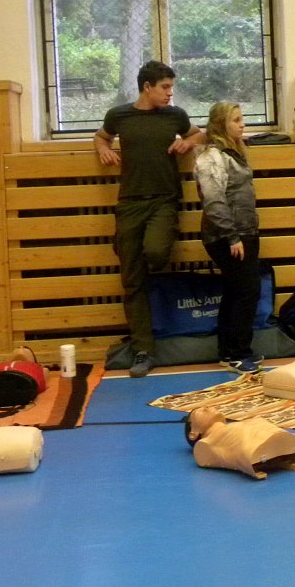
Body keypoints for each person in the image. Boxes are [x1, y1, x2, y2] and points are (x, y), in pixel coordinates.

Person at [95, 60, 203, 378]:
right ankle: (143, 349)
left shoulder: (175, 115)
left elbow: (199, 134)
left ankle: (153, 290)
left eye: (171, 87)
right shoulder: (119, 115)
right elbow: (101, 136)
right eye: (165, 87)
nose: (170, 93)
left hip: (163, 201)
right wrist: (103, 149)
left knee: (155, 252)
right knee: (132, 280)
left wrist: (188, 142)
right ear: (147, 87)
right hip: (130, 203)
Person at [194, 101, 263, 374]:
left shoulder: (232, 153)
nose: (242, 124)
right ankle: (237, 353)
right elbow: (213, 201)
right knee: (246, 292)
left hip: (244, 232)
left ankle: (230, 351)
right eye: (236, 120)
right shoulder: (211, 157)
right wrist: (232, 237)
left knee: (236, 291)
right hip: (227, 236)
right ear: (221, 125)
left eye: (242, 118)